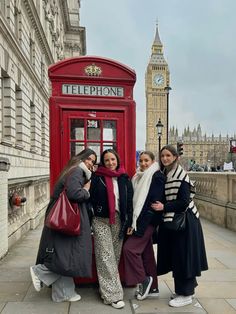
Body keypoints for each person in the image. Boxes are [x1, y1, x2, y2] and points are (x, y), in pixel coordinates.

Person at [30, 148, 97, 302]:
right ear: (82, 158)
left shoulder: (72, 169)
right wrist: (87, 191)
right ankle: (41, 271)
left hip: (61, 216)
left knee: (64, 254)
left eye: (93, 161)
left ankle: (62, 294)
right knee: (67, 255)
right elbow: (74, 193)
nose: (90, 163)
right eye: (89, 159)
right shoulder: (77, 171)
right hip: (66, 219)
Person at [151, 145, 208, 308]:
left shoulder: (181, 175)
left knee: (184, 257)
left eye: (168, 155)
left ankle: (186, 294)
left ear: (176, 157)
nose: (165, 158)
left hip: (185, 222)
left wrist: (164, 207)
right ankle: (182, 290)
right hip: (175, 221)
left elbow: (184, 202)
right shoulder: (167, 173)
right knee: (178, 256)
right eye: (162, 156)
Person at [89, 149, 133, 309]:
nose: (110, 163)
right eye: (107, 160)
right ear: (103, 162)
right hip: (100, 220)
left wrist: (128, 223)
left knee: (114, 256)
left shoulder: (124, 178)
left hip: (119, 221)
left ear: (117, 160)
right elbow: (88, 197)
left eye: (113, 159)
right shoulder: (97, 177)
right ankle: (113, 296)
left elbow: (129, 203)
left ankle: (105, 289)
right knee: (105, 256)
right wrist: (93, 214)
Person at [123, 151, 165, 301]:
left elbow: (153, 204)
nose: (143, 164)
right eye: (141, 161)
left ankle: (143, 279)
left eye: (146, 160)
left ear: (153, 161)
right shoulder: (138, 177)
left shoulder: (156, 176)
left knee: (130, 250)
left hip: (148, 222)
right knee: (147, 255)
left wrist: (139, 227)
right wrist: (132, 224)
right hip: (138, 221)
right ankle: (153, 289)